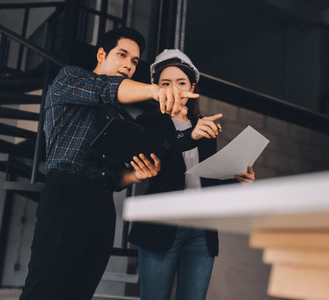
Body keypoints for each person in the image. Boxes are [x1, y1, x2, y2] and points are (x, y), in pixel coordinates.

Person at [20, 29, 199, 300]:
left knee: (80, 291)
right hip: (65, 195)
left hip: (102, 205)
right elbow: (104, 89)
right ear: (102, 54)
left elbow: (114, 177)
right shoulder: (71, 77)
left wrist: (134, 175)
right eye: (122, 54)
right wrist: (157, 90)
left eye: (135, 61)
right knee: (44, 289)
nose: (129, 64)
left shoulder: (119, 115)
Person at [128, 49, 255, 300]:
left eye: (181, 82)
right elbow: (155, 154)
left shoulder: (205, 125)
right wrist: (190, 136)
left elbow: (204, 180)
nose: (174, 88)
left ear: (192, 86)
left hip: (200, 229)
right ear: (156, 88)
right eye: (166, 83)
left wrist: (240, 181)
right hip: (162, 223)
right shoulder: (147, 123)